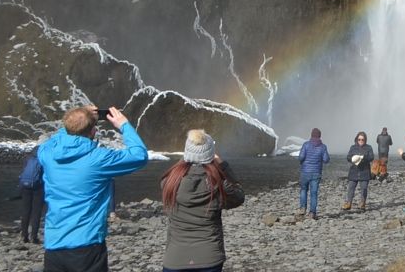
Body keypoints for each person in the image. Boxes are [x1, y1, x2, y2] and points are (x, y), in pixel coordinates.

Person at [39, 105, 148, 272]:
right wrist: (124, 125)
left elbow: (54, 140)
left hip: (54, 244)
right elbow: (139, 155)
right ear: (93, 131)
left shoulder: (47, 154)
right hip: (87, 245)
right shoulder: (98, 159)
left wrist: (75, 120)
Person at [160, 129, 243, 272]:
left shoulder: (169, 182)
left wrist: (190, 155)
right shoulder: (219, 185)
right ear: (210, 155)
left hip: (175, 259)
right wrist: (222, 164)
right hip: (209, 258)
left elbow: (181, 166)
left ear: (186, 153)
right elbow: (239, 195)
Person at [18, 138, 46, 243]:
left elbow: (23, 171)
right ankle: (34, 236)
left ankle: (24, 235)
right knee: (36, 212)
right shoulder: (45, 155)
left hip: (25, 185)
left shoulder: (28, 156)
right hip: (39, 186)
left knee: (26, 211)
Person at [297, 128, 329, 219]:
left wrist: (302, 162)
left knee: (303, 190)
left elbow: (301, 157)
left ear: (311, 135)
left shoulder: (306, 145)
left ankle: (302, 208)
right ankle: (312, 213)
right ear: (319, 136)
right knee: (314, 193)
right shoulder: (323, 147)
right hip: (316, 172)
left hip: (305, 172)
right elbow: (326, 160)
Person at [343, 131, 373, 212]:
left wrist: (363, 158)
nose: (361, 141)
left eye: (362, 140)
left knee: (364, 188)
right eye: (359, 139)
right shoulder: (353, 147)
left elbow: (371, 157)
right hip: (354, 171)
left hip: (364, 171)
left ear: (365, 140)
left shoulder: (369, 147)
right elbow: (348, 157)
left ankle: (362, 203)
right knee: (351, 188)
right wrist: (353, 158)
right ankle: (348, 203)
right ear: (357, 139)